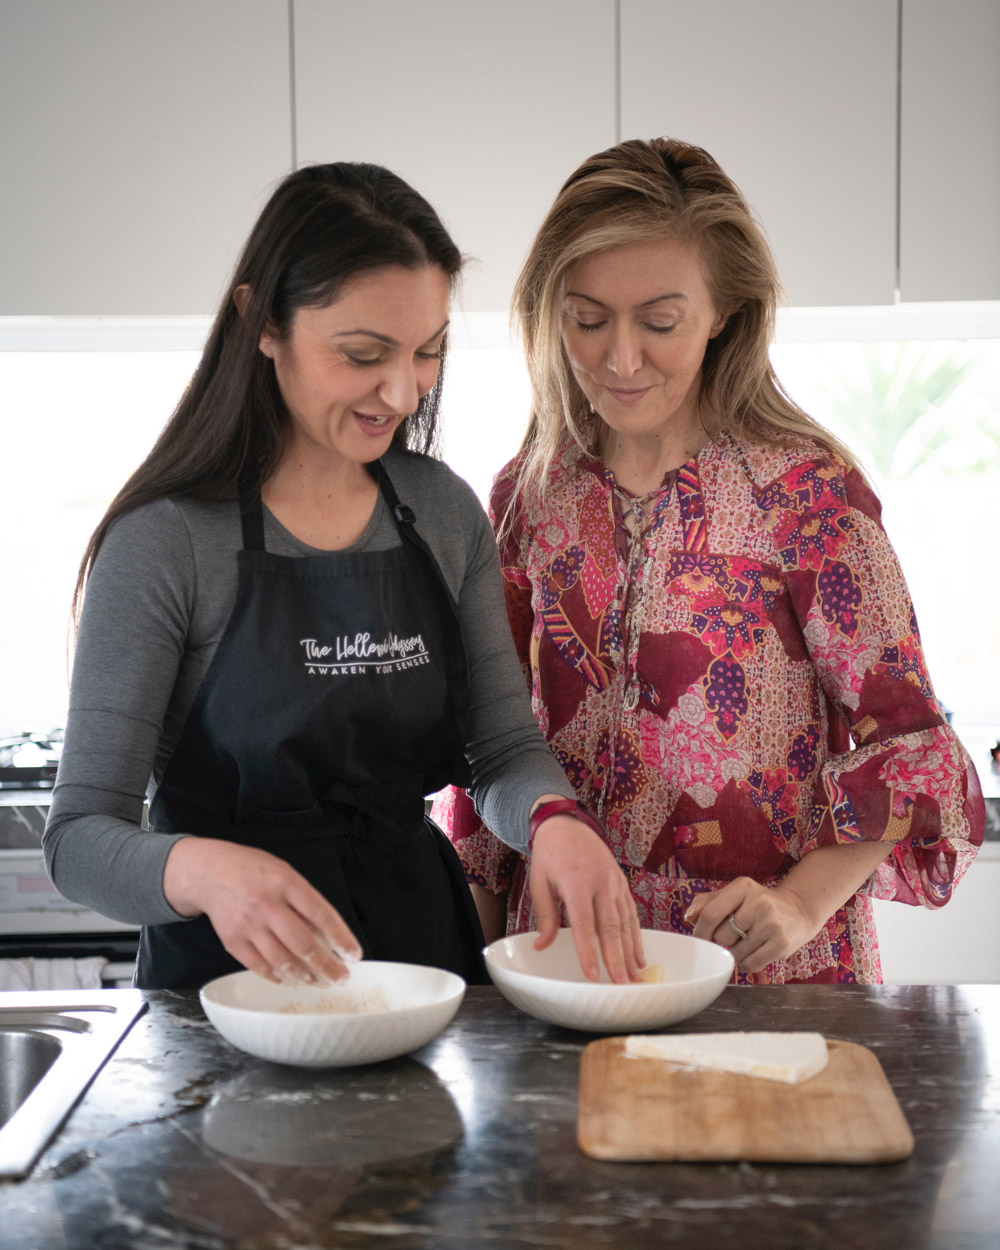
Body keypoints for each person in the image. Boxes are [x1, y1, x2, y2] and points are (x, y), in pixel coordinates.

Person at [43, 162, 644, 992]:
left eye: (427, 351)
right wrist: (206, 872)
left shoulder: (441, 511)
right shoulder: (168, 542)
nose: (402, 391)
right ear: (261, 322)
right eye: (363, 354)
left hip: (422, 972)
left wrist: (552, 819)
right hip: (224, 1000)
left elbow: (500, 748)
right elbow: (78, 838)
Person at [435, 137, 985, 984]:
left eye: (660, 322)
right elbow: (491, 749)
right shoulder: (528, 497)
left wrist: (801, 902)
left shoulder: (806, 496)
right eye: (587, 319)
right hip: (563, 970)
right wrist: (462, 982)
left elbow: (907, 751)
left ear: (725, 308)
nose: (620, 359)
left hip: (762, 977)